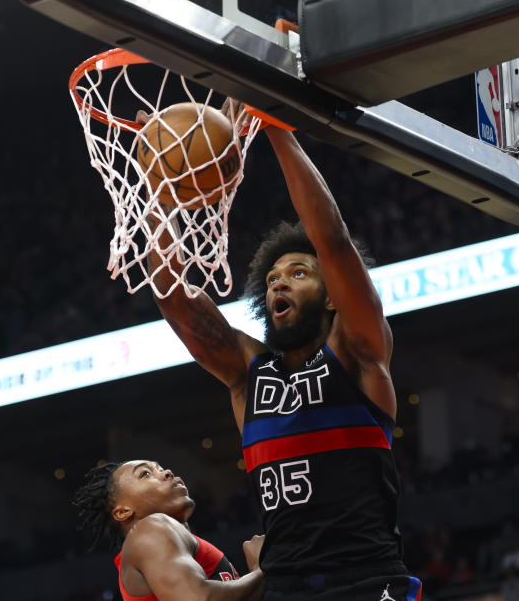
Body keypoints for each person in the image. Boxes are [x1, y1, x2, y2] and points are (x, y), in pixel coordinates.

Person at [147, 120, 421, 600]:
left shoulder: (358, 352)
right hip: (284, 587)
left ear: (332, 295)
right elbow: (177, 301)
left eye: (299, 272)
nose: (280, 282)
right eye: (273, 277)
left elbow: (332, 240)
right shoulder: (248, 375)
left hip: (368, 579)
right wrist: (159, 193)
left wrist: (275, 127)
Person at [73, 459, 265, 601]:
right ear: (123, 511)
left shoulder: (167, 540)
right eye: (145, 474)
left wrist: (259, 573)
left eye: (161, 468)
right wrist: (260, 570)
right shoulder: (149, 529)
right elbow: (197, 599)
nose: (167, 473)